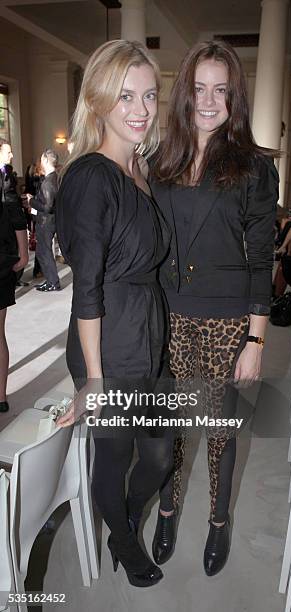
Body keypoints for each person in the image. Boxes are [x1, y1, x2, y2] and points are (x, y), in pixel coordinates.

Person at [149, 39, 279, 576]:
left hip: (228, 317)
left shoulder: (252, 167)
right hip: (171, 314)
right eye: (199, 88)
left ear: (234, 98)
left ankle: (218, 522)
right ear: (185, 93)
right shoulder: (160, 160)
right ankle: (167, 509)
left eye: (220, 90)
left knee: (219, 428)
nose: (208, 101)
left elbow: (260, 258)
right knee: (172, 424)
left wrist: (255, 339)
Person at [54, 40, 174, 588]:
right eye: (126, 95)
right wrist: (96, 379)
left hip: (148, 333)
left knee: (161, 454)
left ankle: (123, 518)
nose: (141, 109)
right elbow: (87, 289)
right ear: (99, 99)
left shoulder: (140, 172)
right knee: (115, 454)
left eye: (149, 95)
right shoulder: (90, 177)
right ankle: (125, 543)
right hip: (109, 337)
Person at [0, 138, 28, 412]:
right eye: (7, 150)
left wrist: (22, 253)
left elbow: (17, 217)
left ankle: (0, 396)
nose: (11, 153)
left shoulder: (7, 179)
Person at [24, 149, 60, 291]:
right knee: (42, 252)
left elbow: (47, 207)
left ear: (45, 160)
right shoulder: (54, 177)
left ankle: (53, 283)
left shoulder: (48, 182)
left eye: (41, 159)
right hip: (48, 221)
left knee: (44, 252)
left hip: (46, 222)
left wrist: (31, 200)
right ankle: (51, 281)